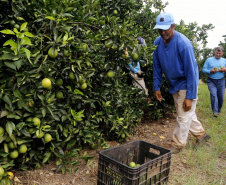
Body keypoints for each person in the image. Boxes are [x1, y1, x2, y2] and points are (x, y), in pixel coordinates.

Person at [152, 12, 210, 154]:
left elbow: (191, 72)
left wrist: (190, 96)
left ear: (173, 26)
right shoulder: (157, 43)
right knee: (185, 112)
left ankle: (177, 144)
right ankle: (201, 135)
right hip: (174, 83)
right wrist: (156, 86)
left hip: (186, 82)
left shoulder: (183, 44)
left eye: (166, 28)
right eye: (160, 29)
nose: (163, 32)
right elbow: (157, 67)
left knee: (183, 115)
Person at [202, 46, 226, 117]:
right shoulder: (209, 60)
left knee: (221, 96)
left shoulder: (224, 60)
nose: (218, 54)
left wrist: (225, 70)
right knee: (213, 95)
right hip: (211, 80)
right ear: (214, 52)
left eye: (220, 53)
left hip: (221, 80)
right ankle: (215, 112)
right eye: (217, 53)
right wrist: (210, 71)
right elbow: (204, 70)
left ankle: (219, 110)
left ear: (222, 53)